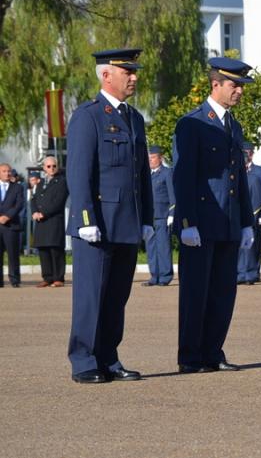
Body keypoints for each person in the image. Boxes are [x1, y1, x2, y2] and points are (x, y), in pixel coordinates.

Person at [66, 48, 154, 383]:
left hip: (126, 222)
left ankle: (108, 357)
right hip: (98, 223)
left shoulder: (134, 118)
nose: (134, 77)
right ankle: (83, 360)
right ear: (106, 75)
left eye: (134, 72)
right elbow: (79, 173)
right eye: (127, 72)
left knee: (117, 297)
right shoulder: (87, 117)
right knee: (91, 295)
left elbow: (141, 173)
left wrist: (146, 215)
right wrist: (86, 219)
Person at [173, 57, 255, 374]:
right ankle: (190, 356)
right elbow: (184, 177)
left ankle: (212, 351)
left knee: (223, 292)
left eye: (241, 86)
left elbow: (240, 178)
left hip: (229, 221)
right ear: (215, 84)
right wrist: (186, 222)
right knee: (196, 292)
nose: (239, 92)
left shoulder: (233, 125)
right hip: (202, 222)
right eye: (234, 85)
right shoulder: (193, 123)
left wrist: (246, 220)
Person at [31, 156, 69, 288]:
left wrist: (44, 213)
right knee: (43, 249)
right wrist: (34, 212)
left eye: (54, 166)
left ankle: (58, 278)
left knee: (55, 249)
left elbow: (59, 202)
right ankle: (47, 277)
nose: (51, 168)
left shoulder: (62, 181)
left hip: (53, 220)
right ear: (44, 168)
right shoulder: (41, 183)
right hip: (41, 222)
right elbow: (34, 199)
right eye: (48, 166)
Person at [237, 142, 261, 285]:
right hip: (239, 216)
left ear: (252, 154)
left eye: (248, 153)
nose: (245, 155)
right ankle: (240, 273)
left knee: (252, 248)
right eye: (243, 152)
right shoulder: (237, 172)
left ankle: (251, 273)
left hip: (255, 215)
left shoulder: (259, 172)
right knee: (239, 247)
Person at [143, 145, 175, 287]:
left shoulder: (167, 173)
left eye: (153, 157)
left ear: (160, 158)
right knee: (151, 248)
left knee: (163, 247)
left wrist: (172, 213)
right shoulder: (147, 175)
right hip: (150, 217)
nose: (150, 160)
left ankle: (165, 276)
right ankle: (154, 276)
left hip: (163, 216)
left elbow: (173, 195)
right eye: (149, 158)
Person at [0, 163, 24, 288]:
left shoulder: (17, 188)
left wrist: (7, 216)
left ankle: (14, 279)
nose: (7, 173)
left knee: (13, 254)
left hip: (11, 225)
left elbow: (19, 204)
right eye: (4, 171)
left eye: (9, 171)